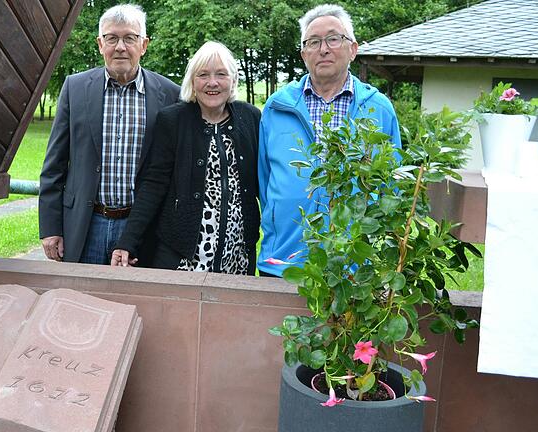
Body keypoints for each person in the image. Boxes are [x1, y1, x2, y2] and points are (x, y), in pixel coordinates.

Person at [257, 4, 401, 277]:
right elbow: (265, 182)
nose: (323, 49)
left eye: (333, 39)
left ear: (353, 49)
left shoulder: (378, 109)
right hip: (284, 261)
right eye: (313, 42)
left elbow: (390, 185)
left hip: (354, 266)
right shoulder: (276, 108)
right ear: (303, 54)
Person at [39, 4, 180, 264]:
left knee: (136, 301)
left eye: (130, 38)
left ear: (144, 44)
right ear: (100, 44)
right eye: (111, 38)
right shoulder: (75, 88)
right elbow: (54, 165)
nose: (120, 47)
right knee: (81, 301)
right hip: (85, 225)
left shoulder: (171, 95)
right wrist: (50, 227)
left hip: (142, 229)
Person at [111, 42, 261, 274]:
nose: (212, 82)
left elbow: (265, 182)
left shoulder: (250, 117)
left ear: (233, 80)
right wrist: (128, 241)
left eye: (221, 74)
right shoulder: (173, 120)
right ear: (192, 81)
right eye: (203, 75)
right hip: (183, 254)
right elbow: (153, 184)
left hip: (237, 256)